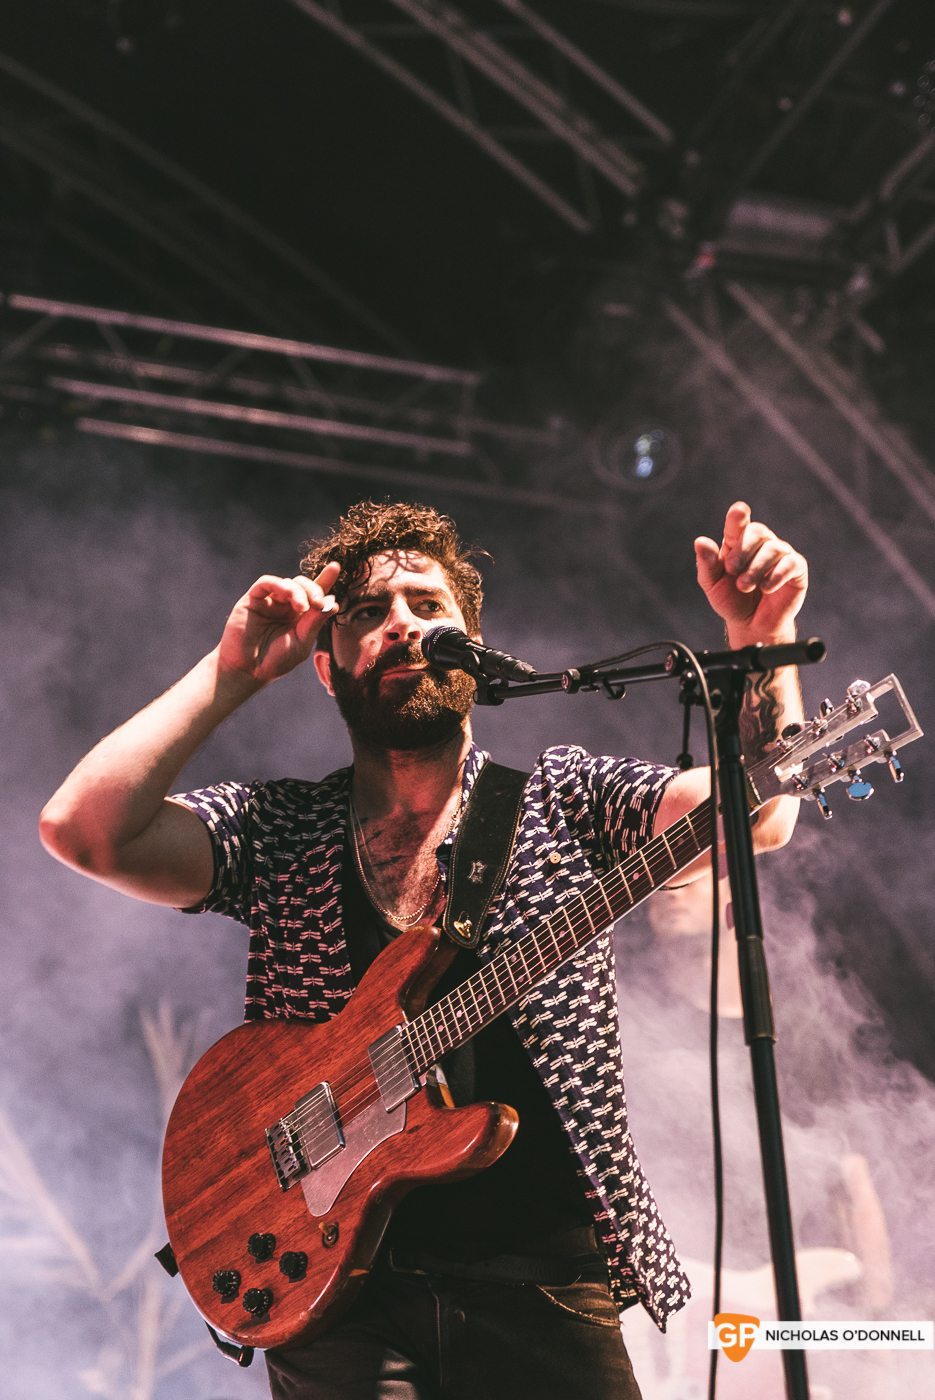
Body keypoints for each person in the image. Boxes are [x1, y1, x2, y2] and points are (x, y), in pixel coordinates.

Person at [39, 498, 808, 1400]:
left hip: (545, 1291)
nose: (403, 624)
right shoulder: (279, 828)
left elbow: (758, 812)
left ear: (473, 660)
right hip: (342, 1300)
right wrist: (230, 674)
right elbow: (83, 830)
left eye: (428, 606)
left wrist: (765, 645)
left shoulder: (562, 801)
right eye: (368, 612)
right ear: (327, 668)